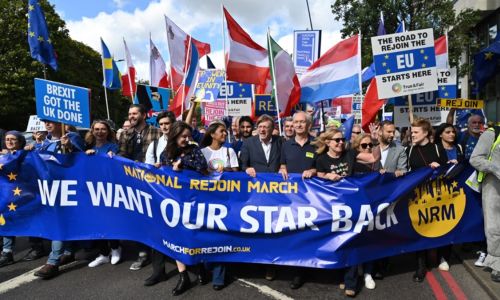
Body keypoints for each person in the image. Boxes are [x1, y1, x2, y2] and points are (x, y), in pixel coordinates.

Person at [313, 129, 380, 297]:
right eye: (336, 140)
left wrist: (375, 140)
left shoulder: (350, 153)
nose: (341, 142)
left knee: (352, 239)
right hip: (332, 208)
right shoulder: (321, 159)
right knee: (338, 241)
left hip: (352, 204)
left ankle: (351, 281)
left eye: (342, 139)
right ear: (328, 142)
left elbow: (373, 158)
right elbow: (318, 177)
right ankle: (343, 276)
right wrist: (327, 176)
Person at [160, 121, 208, 296]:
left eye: (188, 136)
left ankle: (201, 266)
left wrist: (183, 165)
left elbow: (203, 167)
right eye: (183, 137)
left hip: (194, 201)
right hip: (173, 202)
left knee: (195, 235)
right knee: (176, 237)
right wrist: (163, 168)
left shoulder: (194, 150)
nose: (187, 139)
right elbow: (162, 173)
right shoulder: (166, 153)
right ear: (174, 135)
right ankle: (183, 276)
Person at [34, 120, 85, 279]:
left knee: (59, 221)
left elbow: (82, 157)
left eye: (51, 121)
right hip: (49, 187)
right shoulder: (45, 140)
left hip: (67, 186)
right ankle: (68, 251)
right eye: (45, 122)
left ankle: (53, 261)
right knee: (58, 220)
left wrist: (69, 146)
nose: (47, 124)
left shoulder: (71, 137)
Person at [118, 104, 161, 270]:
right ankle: (143, 253)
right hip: (133, 181)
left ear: (144, 115)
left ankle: (159, 250)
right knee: (138, 216)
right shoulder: (126, 134)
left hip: (153, 182)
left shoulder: (156, 132)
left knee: (154, 216)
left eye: (134, 113)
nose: (131, 116)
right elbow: (122, 154)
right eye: (129, 114)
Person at [239, 114, 282, 281]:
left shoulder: (280, 142)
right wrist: (247, 169)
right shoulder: (248, 143)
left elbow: (284, 161)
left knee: (273, 229)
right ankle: (253, 260)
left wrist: (283, 166)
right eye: (261, 127)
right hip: (256, 193)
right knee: (256, 228)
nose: (263, 130)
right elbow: (243, 164)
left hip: (276, 194)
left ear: (272, 130)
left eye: (267, 127)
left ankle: (270, 265)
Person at [405, 118, 447, 283]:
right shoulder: (409, 150)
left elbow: (447, 170)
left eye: (415, 132)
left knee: (439, 226)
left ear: (426, 133)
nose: (412, 134)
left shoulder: (437, 148)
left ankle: (439, 256)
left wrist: (442, 165)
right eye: (411, 131)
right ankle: (420, 266)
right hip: (418, 197)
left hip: (437, 195)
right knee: (420, 229)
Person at [279, 111, 317, 289]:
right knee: (294, 232)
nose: (299, 125)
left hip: (312, 198)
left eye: (302, 122)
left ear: (309, 125)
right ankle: (297, 270)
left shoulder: (317, 145)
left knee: (309, 233)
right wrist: (282, 167)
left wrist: (314, 171)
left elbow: (323, 165)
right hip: (290, 198)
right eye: (296, 122)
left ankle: (309, 265)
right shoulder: (285, 145)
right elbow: (282, 164)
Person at [200, 121, 239, 290]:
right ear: (212, 134)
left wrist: (225, 172)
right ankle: (206, 266)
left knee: (220, 236)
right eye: (222, 131)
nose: (225, 134)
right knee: (205, 236)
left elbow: (238, 175)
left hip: (225, 201)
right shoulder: (202, 152)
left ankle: (218, 277)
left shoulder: (229, 151)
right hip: (206, 200)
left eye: (225, 131)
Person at [143, 111, 176, 287]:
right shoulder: (154, 145)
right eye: (161, 124)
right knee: (156, 231)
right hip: (160, 193)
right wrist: (154, 169)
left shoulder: (183, 141)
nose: (164, 127)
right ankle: (158, 271)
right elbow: (147, 169)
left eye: (167, 123)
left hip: (179, 194)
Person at [84, 120, 121, 268]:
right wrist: (85, 155)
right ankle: (104, 253)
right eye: (97, 129)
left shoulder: (113, 147)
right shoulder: (88, 148)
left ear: (108, 131)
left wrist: (114, 157)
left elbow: (119, 165)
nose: (100, 132)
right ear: (92, 131)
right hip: (91, 189)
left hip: (108, 189)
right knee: (96, 221)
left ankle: (115, 248)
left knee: (110, 220)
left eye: (103, 129)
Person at [470, 125, 500, 282]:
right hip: (494, 187)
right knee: (494, 226)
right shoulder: (492, 133)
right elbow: (475, 158)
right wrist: (496, 168)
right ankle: (497, 265)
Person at [0, 131, 27, 267]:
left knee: (30, 220)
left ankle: (37, 246)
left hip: (24, 194)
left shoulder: (26, 154)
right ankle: (7, 252)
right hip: (7, 195)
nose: (9, 142)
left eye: (13, 139)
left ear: (20, 141)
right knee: (6, 220)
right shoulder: (4, 157)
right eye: (7, 139)